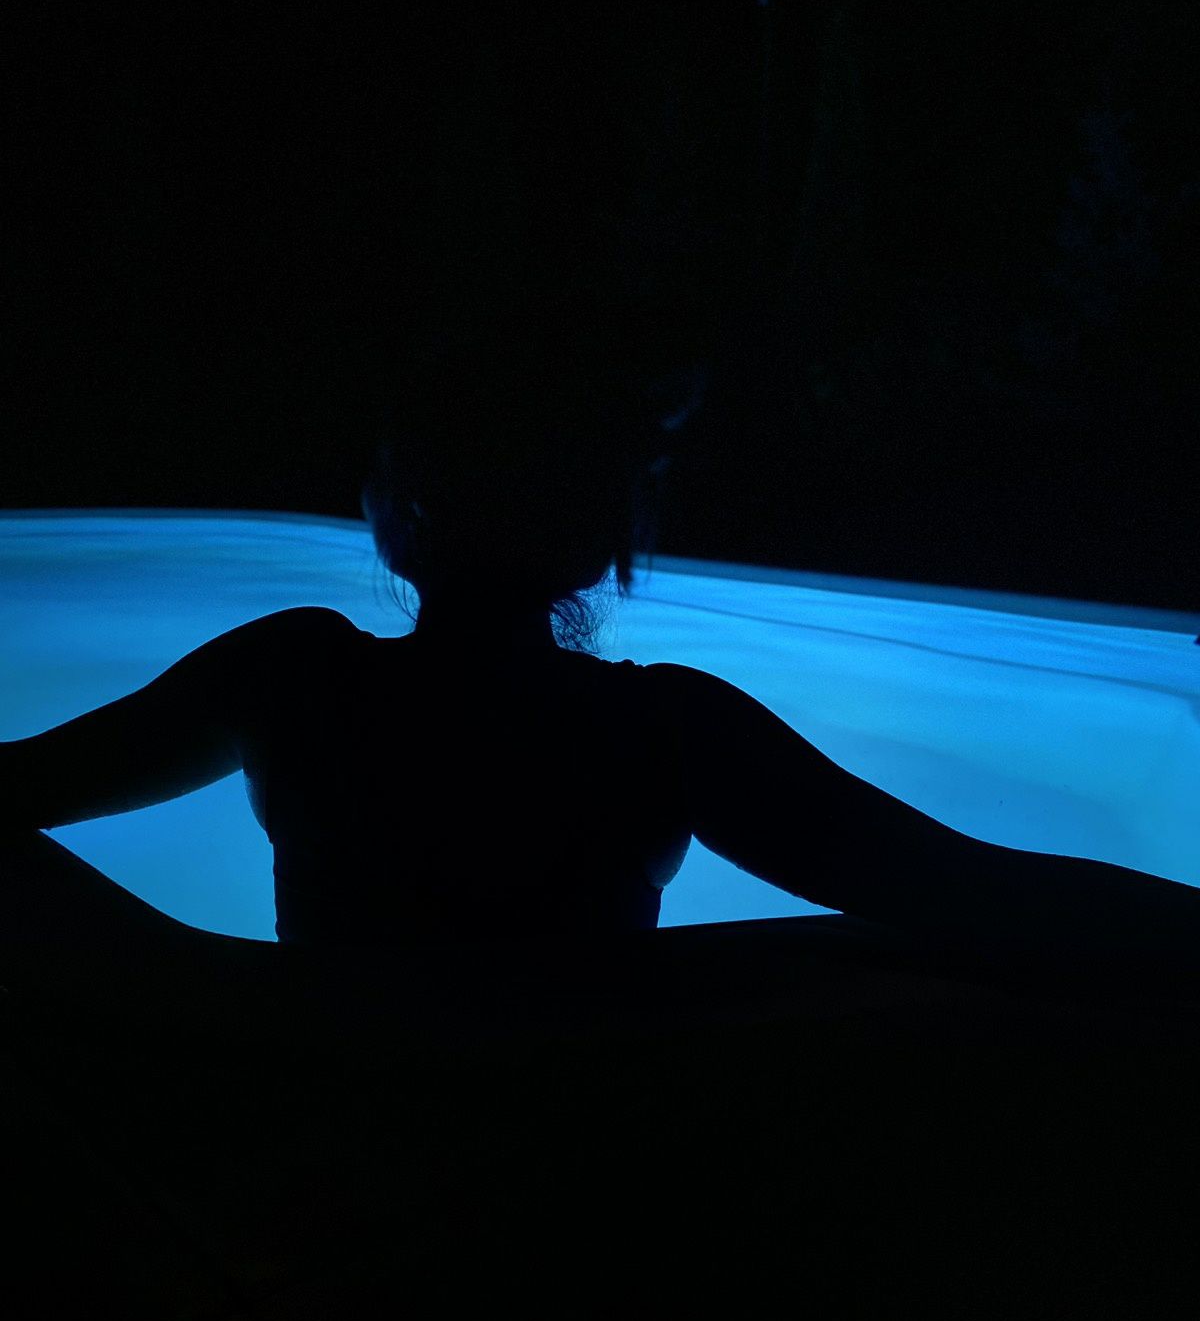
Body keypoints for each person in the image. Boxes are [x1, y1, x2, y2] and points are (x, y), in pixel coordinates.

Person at [1, 299, 1198, 990]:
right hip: (576, 1168)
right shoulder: (665, 731)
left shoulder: (289, 675)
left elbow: (21, 792)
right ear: (603, 541)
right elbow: (968, 888)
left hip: (325, 1138)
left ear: (397, 516)